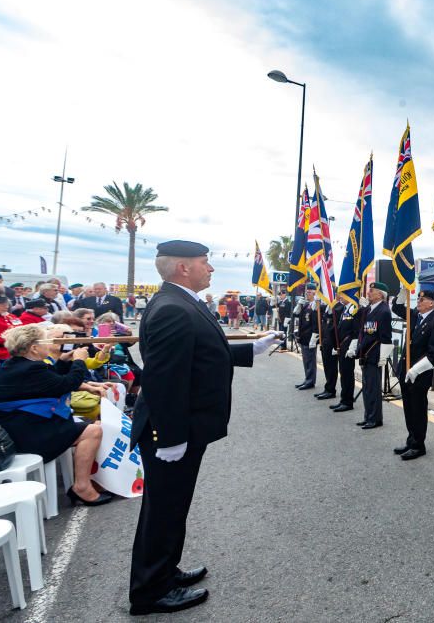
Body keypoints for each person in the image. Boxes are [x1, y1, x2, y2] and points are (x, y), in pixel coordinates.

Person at [128, 240, 280, 616]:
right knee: (164, 510)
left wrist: (250, 350)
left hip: (182, 429)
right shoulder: (171, 309)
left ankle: (164, 571)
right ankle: (150, 593)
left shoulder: (180, 303)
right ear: (183, 268)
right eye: (204, 263)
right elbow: (164, 378)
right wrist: (171, 436)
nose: (210, 269)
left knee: (172, 507)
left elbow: (200, 351)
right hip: (172, 433)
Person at [0, 323, 112, 505]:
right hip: (28, 436)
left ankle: (92, 480)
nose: (51, 344)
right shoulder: (31, 369)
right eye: (48, 340)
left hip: (19, 428)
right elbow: (66, 384)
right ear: (34, 347)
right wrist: (79, 361)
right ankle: (82, 486)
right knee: (93, 431)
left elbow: (53, 381)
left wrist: (63, 361)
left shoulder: (16, 365)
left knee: (89, 426)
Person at [391, 288, 434, 461]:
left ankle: (418, 445)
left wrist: (415, 369)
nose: (419, 303)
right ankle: (411, 439)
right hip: (405, 371)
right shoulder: (415, 316)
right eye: (418, 300)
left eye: (422, 300)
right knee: (408, 407)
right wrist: (402, 291)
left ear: (432, 303)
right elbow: (397, 308)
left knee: (418, 409)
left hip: (419, 374)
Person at [347, 282, 392, 429]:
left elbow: (386, 336)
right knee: (367, 388)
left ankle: (375, 419)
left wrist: (383, 356)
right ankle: (368, 416)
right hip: (365, 352)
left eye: (371, 291)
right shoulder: (370, 309)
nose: (368, 293)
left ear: (380, 294)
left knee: (373, 389)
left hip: (374, 354)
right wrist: (361, 306)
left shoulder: (384, 311)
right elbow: (358, 321)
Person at [330, 299, 360, 412]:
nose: (341, 297)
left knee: (347, 375)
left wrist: (353, 347)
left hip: (348, 346)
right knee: (343, 374)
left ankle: (348, 402)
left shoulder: (354, 309)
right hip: (342, 345)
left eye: (344, 294)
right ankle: (344, 399)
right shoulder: (345, 309)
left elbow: (356, 330)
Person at [0, 285, 23, 373]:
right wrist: (17, 337)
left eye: (6, 303)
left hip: (15, 347)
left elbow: (22, 328)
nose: (6, 306)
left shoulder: (10, 316)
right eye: (2, 304)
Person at [314, 298, 342, 402]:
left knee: (331, 367)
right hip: (325, 341)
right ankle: (328, 388)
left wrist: (331, 308)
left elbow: (336, 319)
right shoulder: (327, 307)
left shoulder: (339, 307)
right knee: (326, 366)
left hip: (333, 342)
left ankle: (331, 390)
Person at [294, 286, 320, 391]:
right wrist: (299, 304)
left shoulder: (315, 306)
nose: (307, 294)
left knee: (310, 360)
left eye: (309, 292)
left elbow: (315, 323)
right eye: (307, 292)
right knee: (306, 360)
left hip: (310, 337)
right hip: (303, 336)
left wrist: (315, 336)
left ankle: (310, 381)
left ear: (314, 294)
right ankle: (307, 379)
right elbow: (295, 314)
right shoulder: (305, 305)